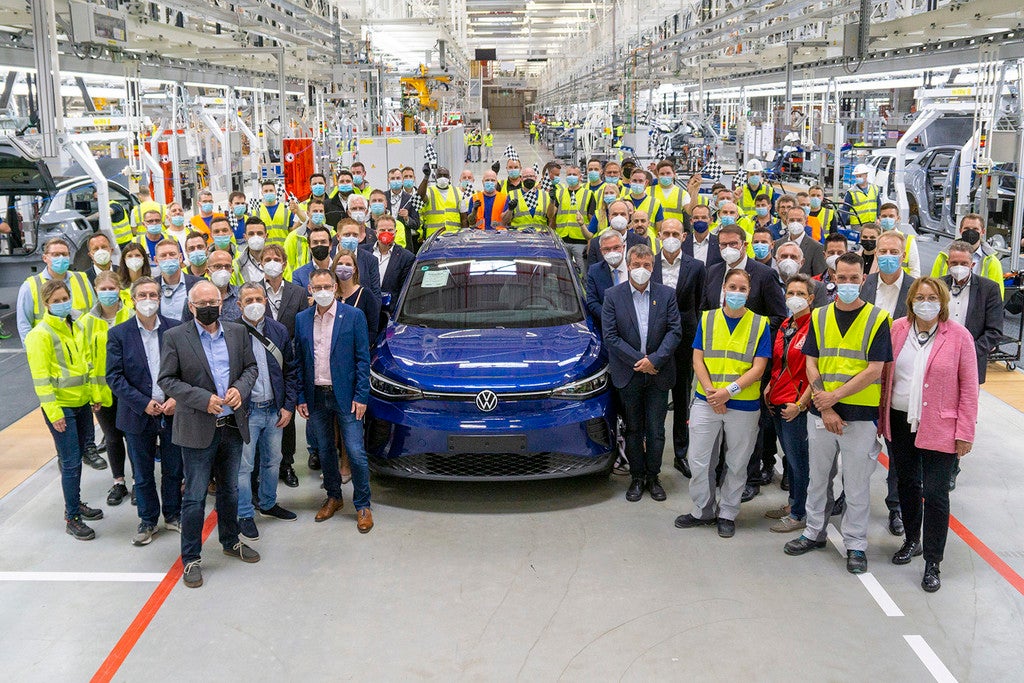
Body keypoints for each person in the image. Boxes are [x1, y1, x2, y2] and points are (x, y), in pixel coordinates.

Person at [784, 252, 892, 575]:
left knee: (856, 484)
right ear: (832, 279)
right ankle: (813, 531)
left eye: (853, 278)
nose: (847, 283)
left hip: (859, 415)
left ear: (863, 280)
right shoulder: (819, 316)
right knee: (818, 478)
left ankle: (856, 544)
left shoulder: (878, 318)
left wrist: (834, 397)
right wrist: (826, 404)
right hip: (821, 412)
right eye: (841, 278)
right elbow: (811, 362)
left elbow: (875, 370)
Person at [157, 280, 260, 588]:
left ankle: (230, 541)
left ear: (221, 302)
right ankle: (191, 558)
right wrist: (203, 399)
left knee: (230, 490)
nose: (208, 308)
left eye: (213, 302)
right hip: (197, 429)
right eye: (202, 304)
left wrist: (240, 389)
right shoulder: (176, 337)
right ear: (191, 307)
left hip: (231, 426)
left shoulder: (238, 332)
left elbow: (251, 369)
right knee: (195, 497)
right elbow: (167, 380)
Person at [879, 277, 978, 592]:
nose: (926, 303)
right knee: (907, 484)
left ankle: (933, 562)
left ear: (942, 302)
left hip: (940, 425)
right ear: (910, 301)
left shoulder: (959, 336)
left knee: (935, 494)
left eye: (932, 297)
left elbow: (969, 389)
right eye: (919, 297)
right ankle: (912, 540)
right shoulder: (897, 330)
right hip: (899, 420)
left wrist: (965, 432)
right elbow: (885, 375)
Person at [676, 268, 770, 537]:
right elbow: (697, 359)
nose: (737, 293)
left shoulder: (760, 324)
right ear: (724, 289)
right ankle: (703, 510)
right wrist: (710, 392)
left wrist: (728, 392)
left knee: (737, 462)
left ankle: (728, 512)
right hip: (706, 401)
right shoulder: (707, 318)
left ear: (749, 293)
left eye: (742, 289)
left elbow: (759, 368)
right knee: (699, 459)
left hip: (743, 404)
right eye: (733, 287)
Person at [294, 269, 374, 532]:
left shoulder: (353, 316)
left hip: (347, 396)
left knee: (356, 451)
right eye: (317, 287)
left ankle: (362, 504)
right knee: (325, 450)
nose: (323, 291)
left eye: (327, 286)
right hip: (316, 395)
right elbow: (299, 361)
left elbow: (363, 359)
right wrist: (301, 396)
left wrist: (361, 395)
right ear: (310, 289)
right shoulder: (302, 319)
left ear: (335, 288)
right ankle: (334, 496)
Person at [106, 277, 183, 546]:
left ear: (160, 299)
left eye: (153, 295)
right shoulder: (119, 334)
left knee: (174, 468)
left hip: (171, 412)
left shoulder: (175, 329)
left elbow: (188, 369)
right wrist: (142, 402)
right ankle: (148, 520)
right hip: (137, 414)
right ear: (132, 300)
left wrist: (176, 398)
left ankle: (173, 514)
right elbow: (114, 377)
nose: (148, 300)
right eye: (143, 295)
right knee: (142, 472)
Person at [602, 243, 681, 502]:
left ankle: (653, 476)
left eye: (646, 265)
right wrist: (641, 361)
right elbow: (611, 336)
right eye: (636, 265)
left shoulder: (667, 295)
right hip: (629, 373)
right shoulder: (613, 296)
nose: (641, 269)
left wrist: (654, 360)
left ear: (653, 267)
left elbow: (674, 331)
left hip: (659, 373)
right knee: (634, 429)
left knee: (656, 430)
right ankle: (637, 477)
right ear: (628, 266)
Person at [25, 278, 104, 540]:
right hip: (61, 407)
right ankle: (72, 517)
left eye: (64, 299)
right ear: (46, 304)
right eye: (56, 301)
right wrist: (54, 412)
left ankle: (76, 503)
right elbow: (40, 378)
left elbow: (87, 364)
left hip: (82, 402)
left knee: (78, 457)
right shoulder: (40, 335)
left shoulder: (77, 326)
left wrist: (94, 395)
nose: (62, 304)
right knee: (70, 462)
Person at [235, 283, 298, 542]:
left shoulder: (278, 330)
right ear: (239, 305)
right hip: (247, 411)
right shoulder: (231, 332)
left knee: (273, 461)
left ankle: (268, 503)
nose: (254, 304)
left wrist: (288, 406)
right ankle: (244, 513)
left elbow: (290, 370)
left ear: (265, 301)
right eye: (248, 300)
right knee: (244, 466)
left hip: (274, 409)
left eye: (258, 299)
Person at [942, 240, 1003, 490]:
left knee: (962, 416)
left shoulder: (988, 289)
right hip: (938, 363)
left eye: (963, 263)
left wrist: (967, 355)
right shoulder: (938, 286)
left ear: (972, 264)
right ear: (948, 264)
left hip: (969, 366)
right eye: (954, 263)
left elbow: (994, 332)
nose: (959, 267)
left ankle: (952, 466)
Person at [651, 218, 706, 477]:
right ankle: (653, 452)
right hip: (656, 340)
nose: (671, 237)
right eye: (667, 233)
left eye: (676, 233)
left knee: (682, 397)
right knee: (656, 397)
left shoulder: (696, 267)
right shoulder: (649, 264)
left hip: (685, 339)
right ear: (659, 235)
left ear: (684, 237)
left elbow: (700, 303)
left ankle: (681, 453)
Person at [764, 274, 815, 533]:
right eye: (791, 293)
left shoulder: (814, 327)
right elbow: (780, 362)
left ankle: (799, 513)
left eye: (801, 294)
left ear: (811, 298)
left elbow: (816, 371)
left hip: (797, 405)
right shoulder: (786, 324)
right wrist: (770, 386)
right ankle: (793, 502)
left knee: (799, 461)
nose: (795, 298)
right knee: (790, 459)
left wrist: (802, 404)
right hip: (778, 400)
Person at [82, 271, 134, 507]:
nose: (107, 293)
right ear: (96, 290)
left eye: (111, 288)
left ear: (119, 289)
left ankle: (138, 482)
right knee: (112, 438)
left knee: (134, 437)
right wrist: (92, 393)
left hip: (130, 389)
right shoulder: (86, 322)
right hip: (103, 393)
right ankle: (118, 482)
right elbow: (85, 359)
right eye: (103, 289)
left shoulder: (131, 315)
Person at [701, 225, 788, 331]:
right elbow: (705, 309)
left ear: (745, 245)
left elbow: (778, 316)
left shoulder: (765, 274)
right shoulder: (712, 271)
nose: (728, 248)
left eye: (733, 244)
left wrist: (754, 329)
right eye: (724, 244)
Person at [17, 238, 96, 344]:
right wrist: (31, 348)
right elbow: (24, 324)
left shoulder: (82, 279)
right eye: (56, 255)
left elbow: (95, 313)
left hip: (82, 348)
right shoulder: (30, 286)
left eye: (64, 254)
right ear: (45, 258)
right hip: (50, 348)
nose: (61, 258)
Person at [930, 213, 1005, 297]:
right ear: (960, 231)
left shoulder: (992, 262)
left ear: (983, 232)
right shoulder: (943, 257)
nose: (970, 232)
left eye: (975, 229)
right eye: (967, 229)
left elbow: (997, 296)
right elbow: (932, 287)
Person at [367, 214, 414, 317]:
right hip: (366, 310)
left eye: (390, 230)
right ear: (376, 233)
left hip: (390, 312)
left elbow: (403, 289)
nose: (386, 233)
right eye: (382, 230)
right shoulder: (364, 252)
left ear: (395, 232)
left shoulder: (406, 257)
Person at [332, 249, 381, 347]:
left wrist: (362, 348)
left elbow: (372, 329)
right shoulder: (330, 294)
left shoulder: (366, 294)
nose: (344, 267)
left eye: (348, 264)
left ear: (354, 269)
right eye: (340, 264)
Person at [585, 230, 628, 331]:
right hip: (607, 327)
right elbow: (592, 302)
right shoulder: (594, 271)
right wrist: (610, 318)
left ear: (623, 247)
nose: (612, 252)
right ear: (601, 251)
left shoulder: (635, 268)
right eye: (607, 249)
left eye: (616, 247)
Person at [552, 165, 591, 275]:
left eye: (574, 174)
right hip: (562, 240)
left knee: (583, 273)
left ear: (580, 177)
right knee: (562, 273)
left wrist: (590, 241)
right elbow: (552, 215)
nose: (572, 176)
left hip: (581, 241)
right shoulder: (559, 193)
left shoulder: (588, 194)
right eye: (569, 174)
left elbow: (591, 219)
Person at [586, 199, 644, 268]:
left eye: (623, 214)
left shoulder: (640, 242)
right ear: (609, 217)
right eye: (615, 214)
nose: (619, 217)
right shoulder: (596, 243)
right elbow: (592, 271)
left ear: (629, 217)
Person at [154, 239, 200, 322]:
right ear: (156, 261)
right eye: (163, 255)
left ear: (180, 258)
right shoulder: (151, 286)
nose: (168, 258)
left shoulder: (198, 284)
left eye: (172, 254)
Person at [775, 205, 826, 276]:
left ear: (805, 222)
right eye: (792, 220)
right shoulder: (778, 244)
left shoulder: (816, 247)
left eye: (799, 220)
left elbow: (819, 276)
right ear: (786, 221)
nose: (795, 223)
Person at [877, 203, 922, 277]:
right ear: (879, 218)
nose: (887, 219)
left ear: (898, 218)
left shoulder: (908, 239)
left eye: (891, 216)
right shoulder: (875, 238)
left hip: (902, 282)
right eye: (884, 216)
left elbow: (915, 270)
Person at [417, 165, 462, 239]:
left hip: (453, 238)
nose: (442, 178)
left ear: (449, 178)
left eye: (445, 175)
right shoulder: (429, 191)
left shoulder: (457, 192)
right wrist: (426, 177)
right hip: (433, 238)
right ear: (435, 177)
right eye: (440, 175)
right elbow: (420, 196)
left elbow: (463, 218)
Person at [291, 225, 335, 291]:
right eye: (315, 242)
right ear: (309, 247)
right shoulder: (298, 275)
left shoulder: (341, 270)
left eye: (323, 242)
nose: (319, 245)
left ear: (330, 245)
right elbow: (298, 297)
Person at [256, 179, 296, 247]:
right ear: (262, 193)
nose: (268, 193)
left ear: (275, 191)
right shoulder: (257, 211)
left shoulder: (286, 209)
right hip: (264, 250)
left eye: (271, 190)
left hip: (283, 249)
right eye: (266, 191)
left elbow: (292, 230)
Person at [682, 204, 723, 269]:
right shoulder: (683, 243)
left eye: (704, 218)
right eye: (696, 218)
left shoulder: (719, 242)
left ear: (711, 220)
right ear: (691, 221)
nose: (700, 220)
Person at [205, 249, 242, 322]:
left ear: (232, 271)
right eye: (217, 266)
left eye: (227, 266)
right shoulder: (197, 296)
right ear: (208, 271)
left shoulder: (241, 294)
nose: (223, 270)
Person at [841, 163, 881, 230]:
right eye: (856, 176)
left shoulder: (874, 188)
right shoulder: (851, 192)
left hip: (872, 222)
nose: (858, 178)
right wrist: (842, 224)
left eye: (860, 176)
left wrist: (879, 218)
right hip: (857, 225)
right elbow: (845, 209)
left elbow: (878, 204)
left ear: (866, 175)